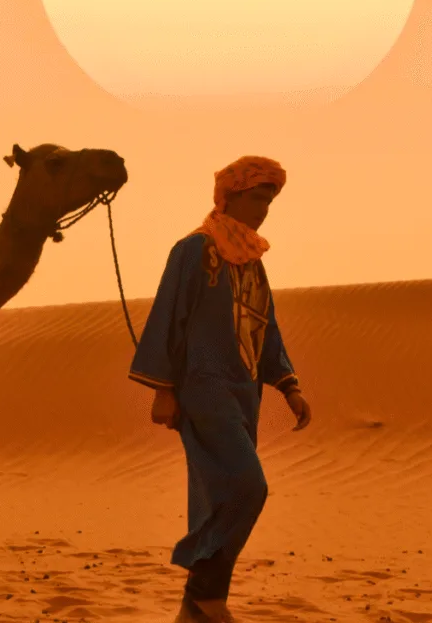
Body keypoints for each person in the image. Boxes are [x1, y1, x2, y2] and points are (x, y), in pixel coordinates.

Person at [127, 156, 314, 622]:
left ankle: (202, 605)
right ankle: (204, 590)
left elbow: (264, 325)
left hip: (243, 391)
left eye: (270, 201)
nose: (264, 209)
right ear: (228, 196)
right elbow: (169, 316)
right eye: (257, 198)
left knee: (219, 493)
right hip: (202, 387)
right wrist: (163, 388)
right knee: (247, 487)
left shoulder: (252, 260)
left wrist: (288, 386)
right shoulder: (194, 250)